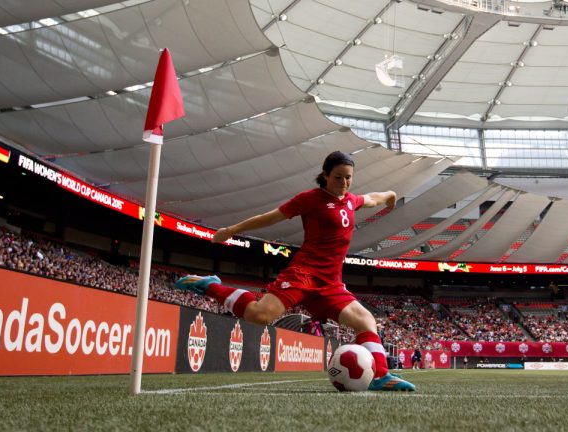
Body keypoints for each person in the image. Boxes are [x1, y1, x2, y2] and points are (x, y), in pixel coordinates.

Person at [174, 151, 415, 391]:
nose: (344, 183)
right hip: (304, 273)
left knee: (366, 321)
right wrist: (231, 230)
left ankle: (381, 376)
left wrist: (390, 195)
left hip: (331, 282)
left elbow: (372, 198)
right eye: (338, 177)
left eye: (348, 178)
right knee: (260, 315)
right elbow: (269, 218)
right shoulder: (310, 199)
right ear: (326, 175)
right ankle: (209, 284)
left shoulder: (351, 200)